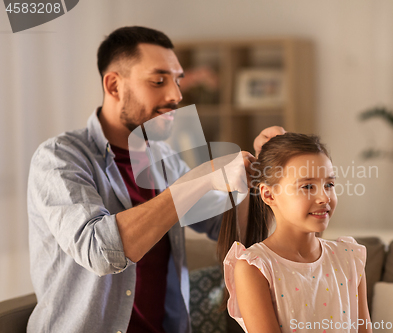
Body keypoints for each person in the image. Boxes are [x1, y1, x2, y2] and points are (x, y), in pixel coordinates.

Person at [26, 26, 284, 333]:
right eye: (158, 81)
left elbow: (229, 232)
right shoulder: (59, 158)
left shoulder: (164, 158)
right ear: (113, 85)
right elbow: (99, 252)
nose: (176, 95)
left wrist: (259, 172)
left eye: (177, 80)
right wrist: (200, 178)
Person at [220, 133, 372, 333]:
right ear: (269, 194)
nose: (324, 197)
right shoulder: (254, 268)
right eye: (308, 186)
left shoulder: (350, 258)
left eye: (329, 184)